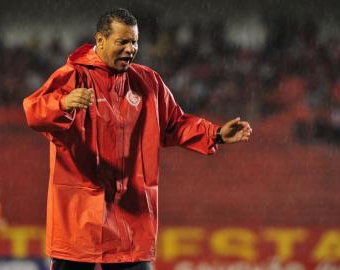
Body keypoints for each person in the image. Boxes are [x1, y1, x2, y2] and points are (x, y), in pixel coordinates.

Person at [23, 8, 252, 270]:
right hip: (80, 221)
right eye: (123, 42)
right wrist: (63, 103)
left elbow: (174, 124)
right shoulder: (74, 76)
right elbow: (34, 112)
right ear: (100, 40)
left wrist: (217, 134)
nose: (130, 48)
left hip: (130, 222)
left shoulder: (148, 82)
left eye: (134, 42)